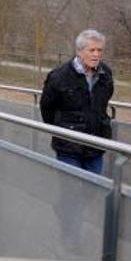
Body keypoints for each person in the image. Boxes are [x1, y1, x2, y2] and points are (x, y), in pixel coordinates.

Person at [39, 29, 114, 175]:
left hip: (96, 143)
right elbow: (46, 108)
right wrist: (62, 129)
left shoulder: (105, 73)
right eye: (91, 50)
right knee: (70, 190)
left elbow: (105, 100)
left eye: (99, 50)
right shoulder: (59, 76)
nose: (96, 54)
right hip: (69, 146)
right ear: (79, 52)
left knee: (94, 188)